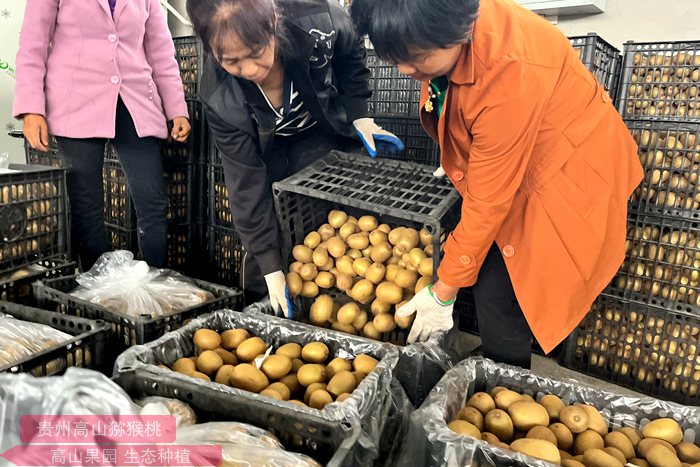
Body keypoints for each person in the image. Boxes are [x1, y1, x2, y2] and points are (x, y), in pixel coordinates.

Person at [351, 0, 644, 368]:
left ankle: (506, 378)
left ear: (455, 32)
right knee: (488, 266)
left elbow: (489, 201)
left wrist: (443, 293)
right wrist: (460, 153)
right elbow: (460, 105)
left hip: (569, 164)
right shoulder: (450, 25)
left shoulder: (509, 70)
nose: (407, 71)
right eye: (394, 59)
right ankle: (498, 359)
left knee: (501, 284)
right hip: (522, 142)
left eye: (417, 57)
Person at [186, 0, 403, 316]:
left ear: (274, 22)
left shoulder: (317, 20)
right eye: (231, 61)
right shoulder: (220, 97)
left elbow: (351, 49)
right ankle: (271, 308)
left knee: (322, 217)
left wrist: (358, 114)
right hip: (267, 147)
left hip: (318, 131)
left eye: (256, 52)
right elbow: (245, 180)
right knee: (268, 241)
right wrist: (270, 265)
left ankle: (336, 309)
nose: (249, 71)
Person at [14, 0, 191, 270]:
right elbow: (33, 43)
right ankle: (96, 289)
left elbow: (160, 50)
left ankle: (156, 281)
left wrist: (177, 108)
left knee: (152, 199)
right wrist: (31, 109)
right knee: (86, 206)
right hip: (75, 101)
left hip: (135, 101)